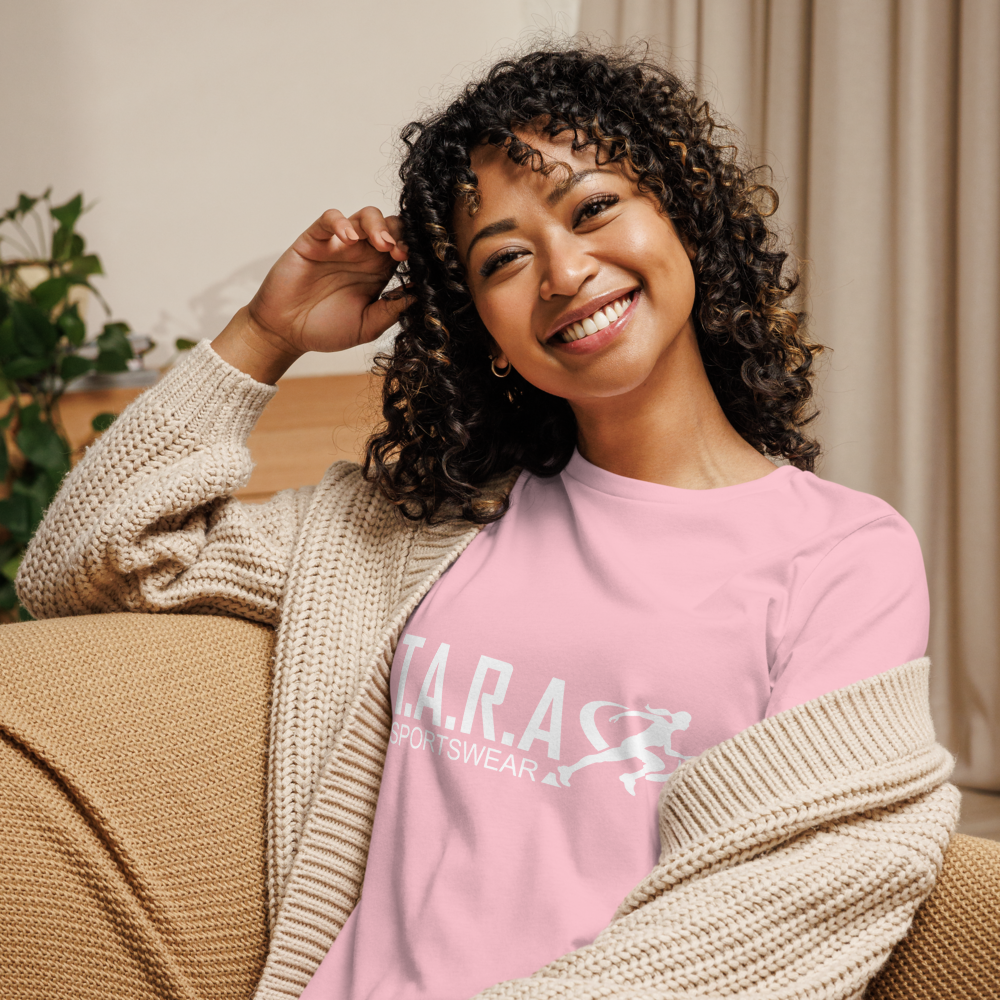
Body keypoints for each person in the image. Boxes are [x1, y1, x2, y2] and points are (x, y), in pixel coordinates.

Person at [17, 47, 957, 1000]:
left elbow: (793, 896)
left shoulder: (842, 555)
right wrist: (263, 336)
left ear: (683, 214)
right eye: (504, 257)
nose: (563, 270)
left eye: (593, 208)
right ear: (484, 330)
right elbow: (90, 564)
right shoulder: (424, 530)